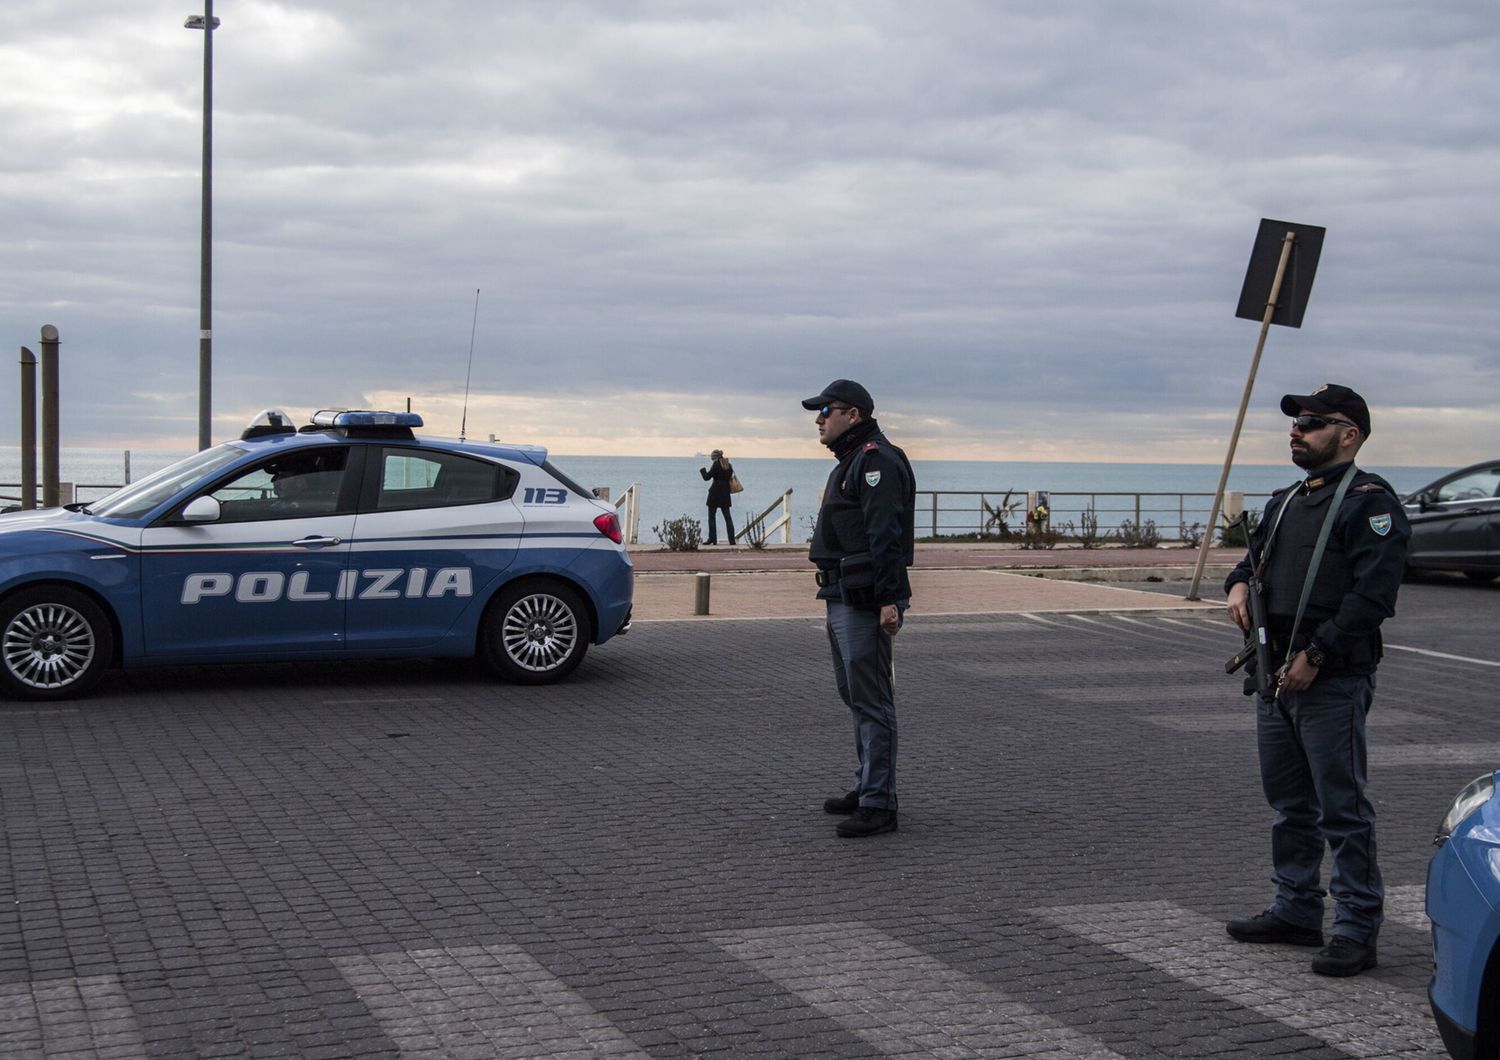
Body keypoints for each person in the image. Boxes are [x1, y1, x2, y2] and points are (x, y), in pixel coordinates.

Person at [1223, 383, 1410, 977]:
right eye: (1296, 420)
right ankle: (1297, 909)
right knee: (1289, 805)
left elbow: (1371, 598)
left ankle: (1357, 927)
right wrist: (1235, 582)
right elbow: (1254, 560)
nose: (1296, 429)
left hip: (1330, 678)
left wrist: (1318, 656)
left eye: (1312, 421)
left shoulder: (1370, 503)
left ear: (1348, 434)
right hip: (1274, 673)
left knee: (1343, 809)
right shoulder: (1285, 500)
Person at [803, 379, 915, 838]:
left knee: (872, 701)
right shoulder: (852, 461)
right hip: (841, 594)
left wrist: (889, 599)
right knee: (856, 696)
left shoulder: (875, 461)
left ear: (852, 415)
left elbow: (885, 536)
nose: (818, 419)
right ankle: (866, 784)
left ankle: (879, 803)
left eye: (826, 410)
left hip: (866, 598)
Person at [699, 449, 736, 545]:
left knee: (711, 517)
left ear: (714, 457)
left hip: (715, 494)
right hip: (725, 494)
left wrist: (702, 470)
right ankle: (732, 540)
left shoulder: (716, 465)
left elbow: (707, 477)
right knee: (728, 517)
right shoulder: (728, 465)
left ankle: (712, 539)